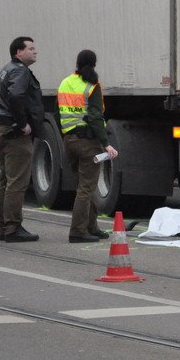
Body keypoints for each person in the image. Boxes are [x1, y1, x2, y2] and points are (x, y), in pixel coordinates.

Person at [0, 36, 44, 242]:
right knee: (17, 181)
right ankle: (13, 227)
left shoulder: (3, 70)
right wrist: (22, 123)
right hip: (14, 133)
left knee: (5, 180)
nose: (35, 51)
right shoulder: (20, 71)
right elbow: (16, 96)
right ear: (19, 52)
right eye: (31, 48)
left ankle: (3, 226)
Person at [57, 49, 117, 243]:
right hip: (87, 142)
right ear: (94, 64)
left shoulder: (65, 82)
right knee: (86, 189)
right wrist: (106, 144)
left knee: (83, 186)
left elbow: (61, 112)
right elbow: (95, 117)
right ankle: (77, 231)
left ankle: (92, 227)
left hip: (69, 140)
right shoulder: (92, 86)